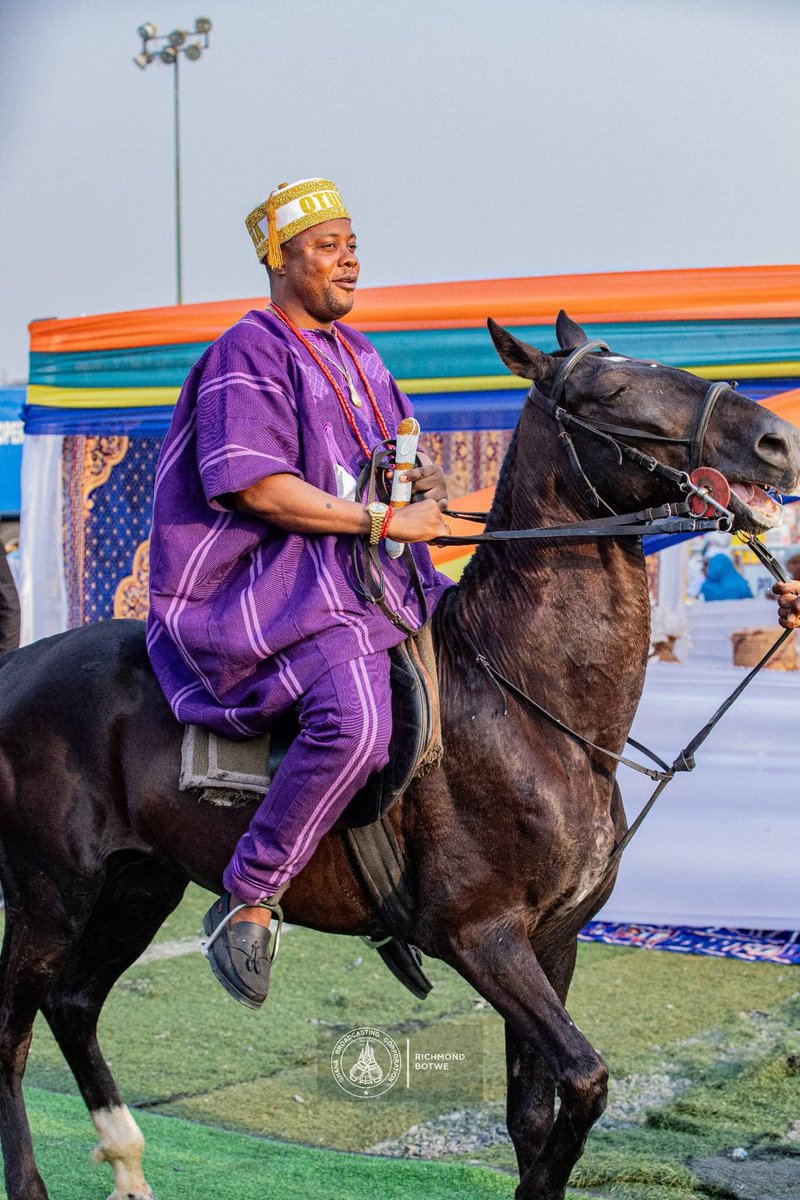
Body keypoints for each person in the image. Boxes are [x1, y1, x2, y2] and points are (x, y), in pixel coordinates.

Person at [147, 178, 453, 1009]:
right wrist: (385, 523)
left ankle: (415, 888)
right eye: (327, 245)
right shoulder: (248, 347)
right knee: (356, 725)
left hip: (363, 571)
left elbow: (395, 463)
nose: (349, 256)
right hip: (275, 580)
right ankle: (248, 896)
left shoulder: (362, 357)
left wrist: (419, 475)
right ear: (278, 263)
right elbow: (257, 490)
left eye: (352, 243)